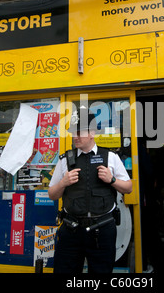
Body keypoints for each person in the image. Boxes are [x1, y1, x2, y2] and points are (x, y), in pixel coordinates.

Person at [48, 113, 132, 273]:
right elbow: (52, 194)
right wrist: (63, 183)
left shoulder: (111, 157)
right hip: (71, 230)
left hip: (102, 230)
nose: (75, 136)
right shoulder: (64, 159)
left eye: (79, 132)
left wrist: (112, 179)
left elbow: (128, 188)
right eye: (73, 132)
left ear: (92, 133)